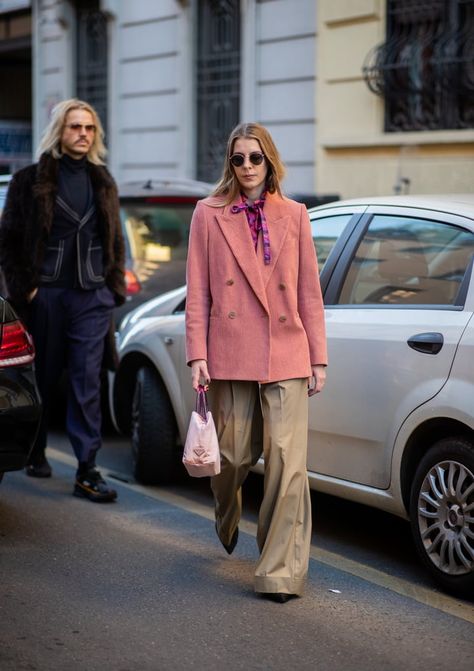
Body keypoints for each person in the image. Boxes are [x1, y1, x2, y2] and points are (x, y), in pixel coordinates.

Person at [185, 122, 327, 602]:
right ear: (230, 163)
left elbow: (309, 291)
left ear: (270, 162)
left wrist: (318, 358)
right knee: (233, 456)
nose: (247, 167)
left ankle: (279, 572)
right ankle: (226, 511)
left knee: (289, 464)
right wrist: (197, 354)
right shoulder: (208, 214)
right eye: (239, 158)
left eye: (255, 158)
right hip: (229, 351)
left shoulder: (296, 214)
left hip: (287, 349)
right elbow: (199, 292)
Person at [0, 98, 126, 502]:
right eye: (75, 127)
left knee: (86, 380)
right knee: (45, 374)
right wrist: (27, 289)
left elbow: (115, 240)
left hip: (91, 297)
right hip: (47, 294)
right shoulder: (28, 180)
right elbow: (9, 241)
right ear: (60, 131)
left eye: (89, 128)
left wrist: (112, 288)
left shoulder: (103, 180)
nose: (83, 134)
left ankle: (87, 469)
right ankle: (35, 449)